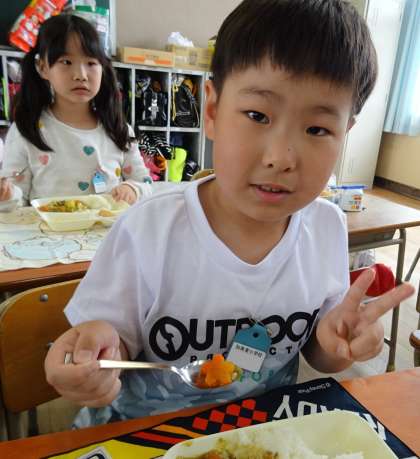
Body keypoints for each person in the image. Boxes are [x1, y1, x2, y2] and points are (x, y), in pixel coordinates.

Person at [45, 0, 414, 427]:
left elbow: (319, 351)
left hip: (262, 431)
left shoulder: (326, 227)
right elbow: (106, 341)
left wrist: (341, 341)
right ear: (213, 111)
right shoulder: (148, 229)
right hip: (143, 432)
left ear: (344, 133)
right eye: (257, 115)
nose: (281, 158)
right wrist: (91, 353)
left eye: (317, 129)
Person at [0, 14, 152, 206]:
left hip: (108, 226)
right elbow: (15, 201)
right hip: (47, 226)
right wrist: (6, 195)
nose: (81, 75)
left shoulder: (118, 129)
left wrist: (133, 189)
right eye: (66, 62)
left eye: (91, 63)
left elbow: (145, 184)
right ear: (43, 68)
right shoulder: (27, 130)